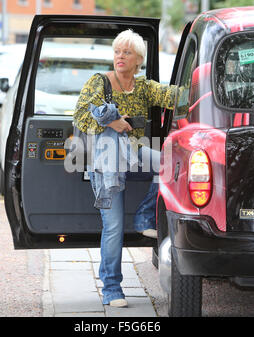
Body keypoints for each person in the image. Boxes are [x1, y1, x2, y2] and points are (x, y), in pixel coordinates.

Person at [73, 29, 178, 308]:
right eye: (117, 51)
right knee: (114, 227)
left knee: (170, 162)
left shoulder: (143, 87)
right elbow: (81, 115)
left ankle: (145, 216)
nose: (120, 56)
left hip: (134, 153)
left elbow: (175, 96)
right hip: (106, 161)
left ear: (138, 59)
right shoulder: (100, 81)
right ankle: (111, 288)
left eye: (127, 52)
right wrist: (112, 122)